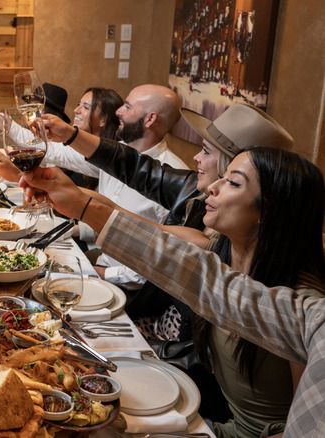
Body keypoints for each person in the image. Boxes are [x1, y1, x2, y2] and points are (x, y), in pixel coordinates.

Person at [20, 146, 325, 438]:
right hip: (212, 417)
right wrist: (70, 196)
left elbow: (303, 425)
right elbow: (150, 242)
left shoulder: (304, 307)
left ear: (268, 211)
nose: (211, 187)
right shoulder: (221, 252)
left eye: (232, 182)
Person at [40, 102, 294, 342]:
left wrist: (82, 204)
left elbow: (151, 235)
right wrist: (70, 138)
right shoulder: (196, 192)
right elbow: (133, 168)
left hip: (163, 339)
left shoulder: (227, 247)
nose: (196, 157)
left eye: (206, 151)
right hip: (152, 317)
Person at [0, 84, 187, 291]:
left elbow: (169, 257)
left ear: (150, 119)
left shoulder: (173, 179)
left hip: (128, 286)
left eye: (127, 106)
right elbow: (54, 152)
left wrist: (99, 273)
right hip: (100, 262)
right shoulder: (116, 155)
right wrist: (1, 123)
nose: (118, 111)